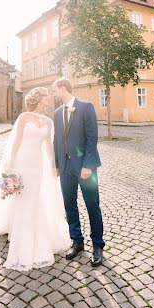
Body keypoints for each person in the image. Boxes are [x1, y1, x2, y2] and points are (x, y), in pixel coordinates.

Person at [0, 87, 71, 271]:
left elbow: (48, 146)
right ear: (39, 98)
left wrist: (53, 166)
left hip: (38, 166)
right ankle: (21, 235)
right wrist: (10, 165)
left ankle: (36, 233)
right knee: (23, 198)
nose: (49, 97)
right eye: (46, 95)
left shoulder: (48, 121)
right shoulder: (23, 117)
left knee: (34, 198)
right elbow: (15, 143)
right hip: (22, 163)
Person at [52, 77, 105, 267]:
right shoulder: (57, 113)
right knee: (69, 206)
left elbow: (92, 137)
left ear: (63, 89)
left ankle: (98, 245)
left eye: (55, 90)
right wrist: (57, 165)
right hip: (65, 169)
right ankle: (77, 241)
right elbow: (57, 140)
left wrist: (88, 165)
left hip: (85, 168)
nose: (54, 93)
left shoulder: (85, 107)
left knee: (92, 205)